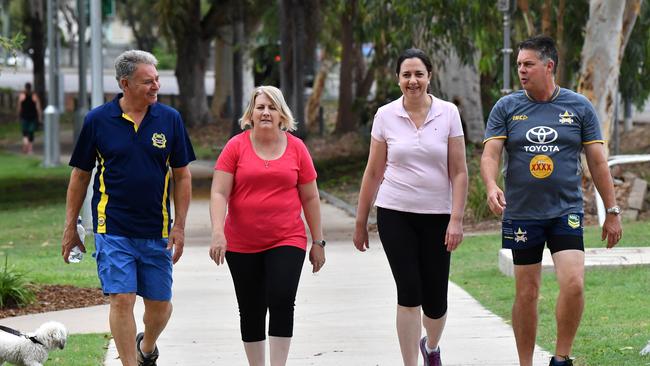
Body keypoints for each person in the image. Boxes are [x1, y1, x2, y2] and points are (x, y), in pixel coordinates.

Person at [480, 36, 622, 366]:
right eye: (518, 65)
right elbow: (490, 154)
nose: (521, 71)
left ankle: (561, 358)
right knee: (526, 293)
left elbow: (598, 163)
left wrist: (612, 211)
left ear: (549, 66)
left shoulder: (579, 107)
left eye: (528, 64)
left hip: (565, 212)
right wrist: (490, 186)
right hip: (523, 216)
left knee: (573, 284)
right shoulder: (507, 107)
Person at [61, 50, 195, 366]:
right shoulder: (97, 120)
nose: (156, 86)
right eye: (147, 81)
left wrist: (180, 226)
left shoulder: (169, 119)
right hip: (112, 227)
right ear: (125, 83)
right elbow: (80, 175)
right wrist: (70, 227)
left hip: (157, 229)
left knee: (160, 305)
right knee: (121, 299)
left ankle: (146, 346)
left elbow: (182, 175)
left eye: (157, 80)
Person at [353, 48, 468, 366]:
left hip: (438, 216)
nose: (413, 80)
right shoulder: (386, 115)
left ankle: (431, 346)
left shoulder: (448, 113)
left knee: (435, 300)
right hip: (395, 213)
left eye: (419, 74)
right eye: (407, 75)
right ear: (397, 79)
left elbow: (458, 171)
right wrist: (361, 221)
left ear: (430, 77)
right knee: (409, 291)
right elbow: (374, 172)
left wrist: (456, 219)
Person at [209, 85, 325, 366]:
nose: (265, 112)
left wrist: (318, 242)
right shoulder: (235, 146)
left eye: (272, 107)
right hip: (241, 242)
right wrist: (217, 233)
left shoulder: (297, 148)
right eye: (260, 107)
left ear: (281, 114)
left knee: (282, 297)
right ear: (251, 112)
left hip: (287, 238)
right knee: (251, 309)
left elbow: (310, 196)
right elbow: (219, 192)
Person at [16, 82, 42, 155]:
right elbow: (38, 108)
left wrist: (18, 116)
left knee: (25, 133)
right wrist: (40, 117)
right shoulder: (34, 96)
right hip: (33, 117)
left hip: (24, 117)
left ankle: (25, 146)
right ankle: (30, 149)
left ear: (25, 87)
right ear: (31, 87)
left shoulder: (22, 96)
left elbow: (19, 107)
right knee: (31, 133)